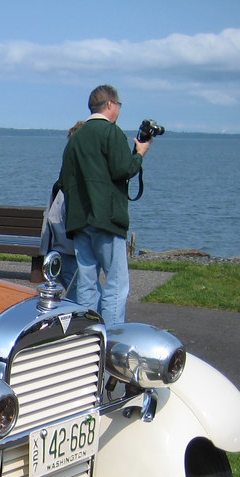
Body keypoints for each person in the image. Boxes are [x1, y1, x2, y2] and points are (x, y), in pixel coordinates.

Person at [59, 85, 151, 325]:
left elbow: (65, 180)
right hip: (107, 219)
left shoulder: (75, 139)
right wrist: (139, 154)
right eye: (118, 105)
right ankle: (111, 337)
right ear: (110, 104)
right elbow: (124, 169)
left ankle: (87, 335)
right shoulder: (111, 133)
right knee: (115, 283)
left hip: (80, 220)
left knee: (87, 285)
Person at [39, 121, 84, 293]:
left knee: (78, 291)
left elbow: (52, 217)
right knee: (80, 290)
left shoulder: (65, 179)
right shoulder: (69, 180)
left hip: (62, 246)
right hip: (67, 247)